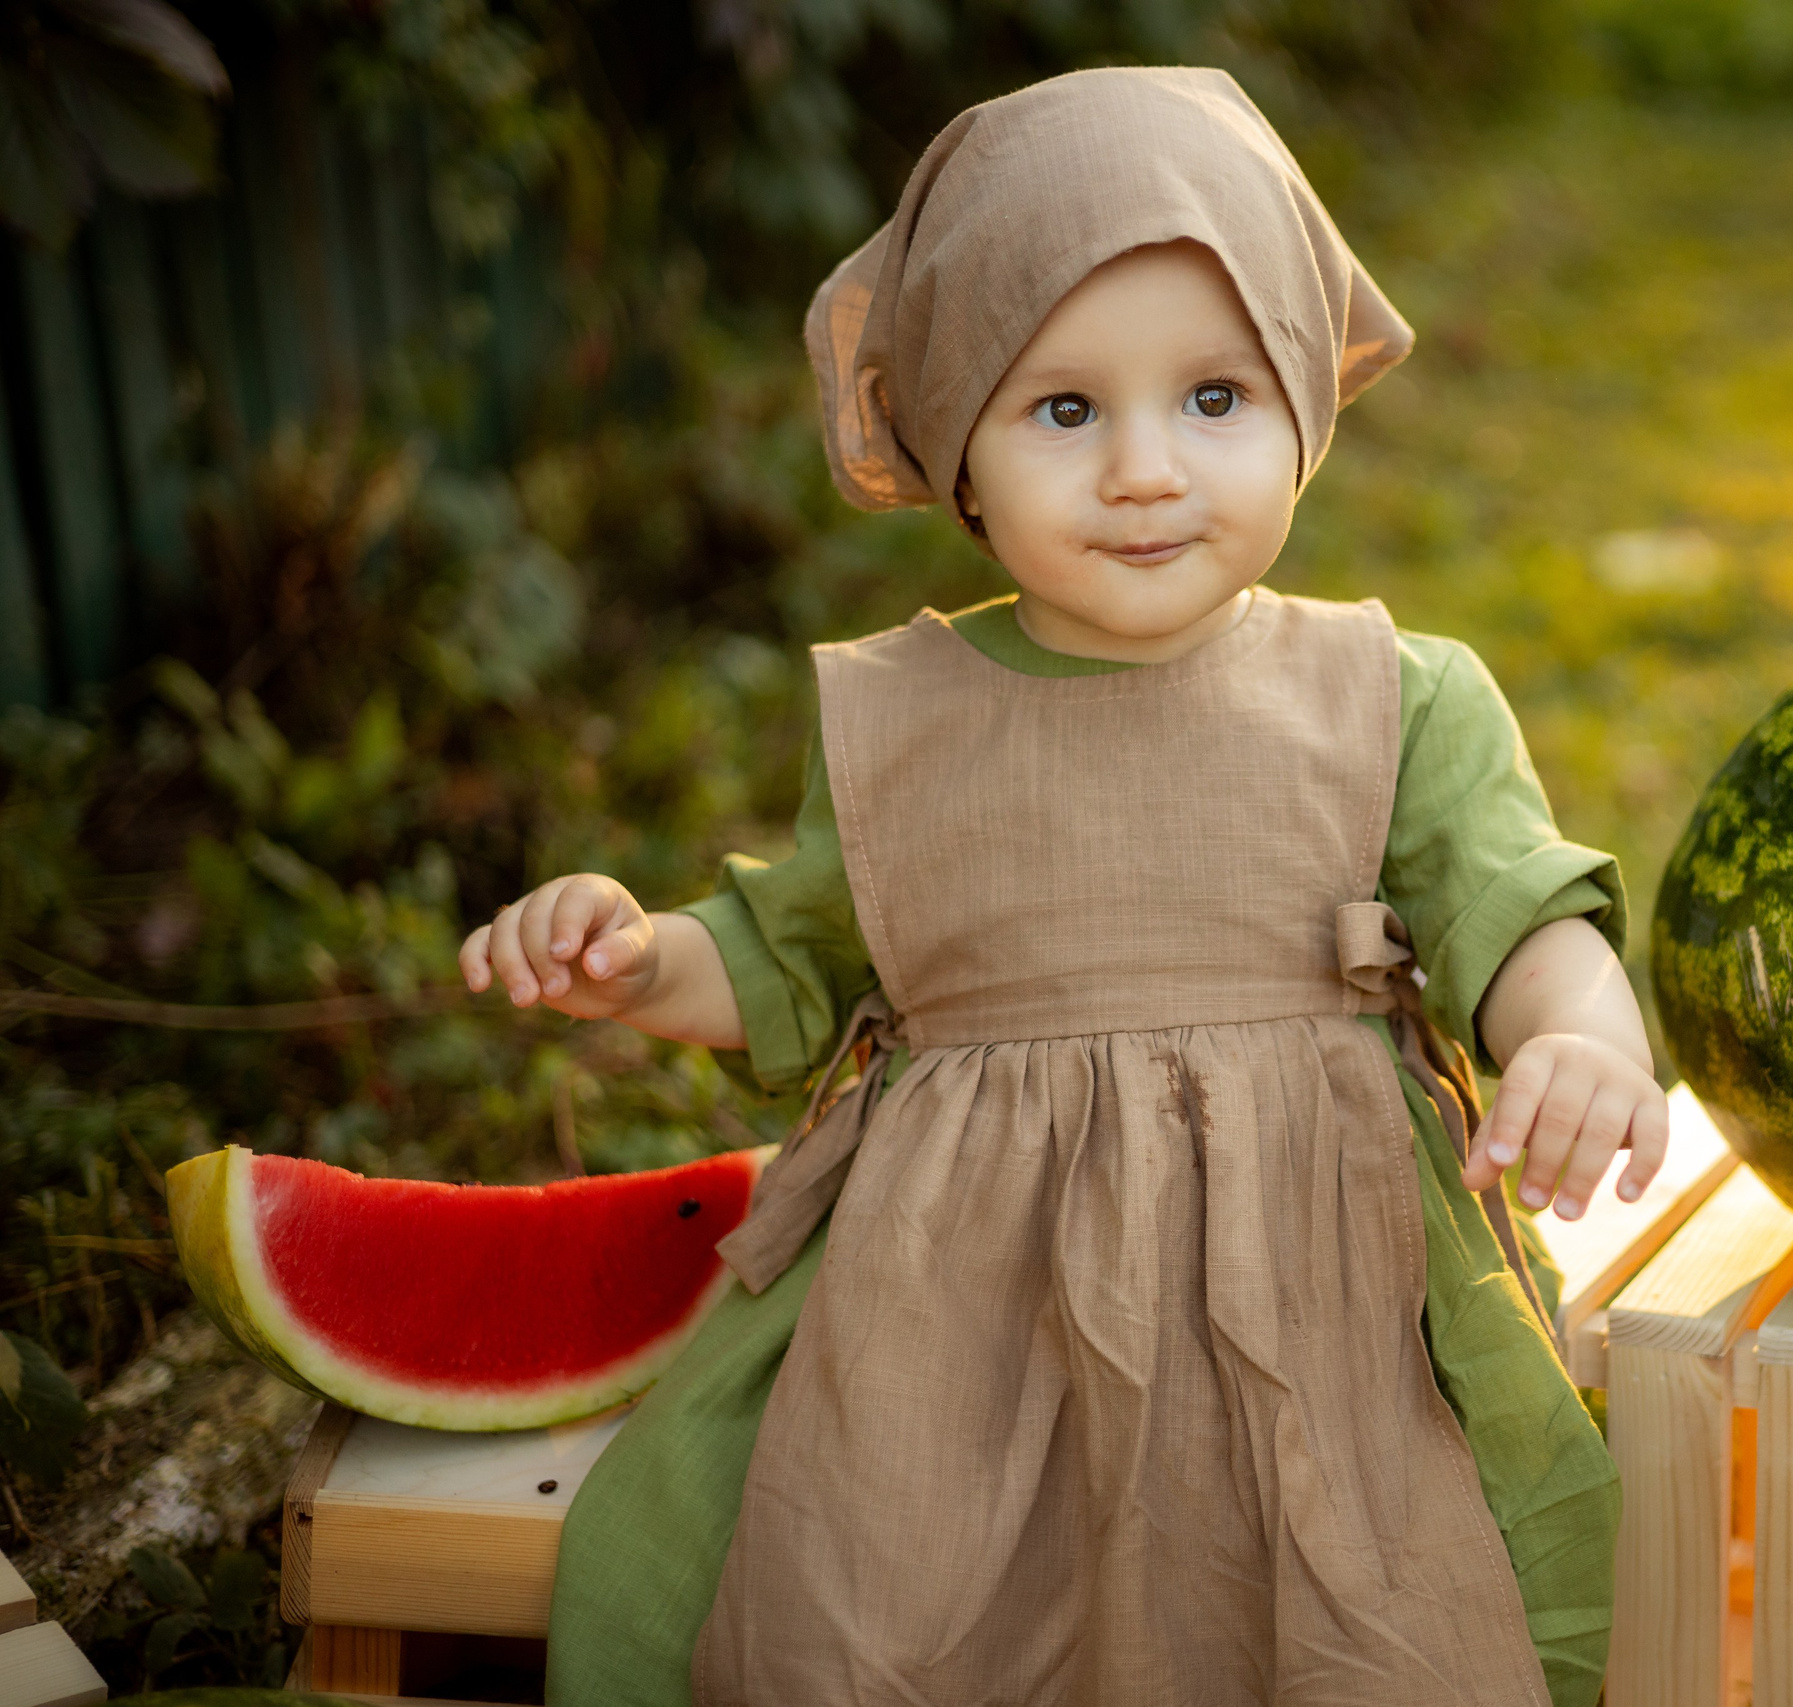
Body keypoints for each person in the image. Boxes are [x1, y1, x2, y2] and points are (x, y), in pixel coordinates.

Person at [458, 65, 1670, 1707]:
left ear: (1304, 405)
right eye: (1066, 411)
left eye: (1215, 397)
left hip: (1324, 1303)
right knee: (880, 1618)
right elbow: (786, 956)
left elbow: (1515, 914)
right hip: (965, 1329)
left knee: (1382, 1615)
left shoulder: (1392, 696)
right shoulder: (903, 719)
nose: (1148, 470)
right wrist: (637, 956)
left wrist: (1579, 1034)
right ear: (958, 448)